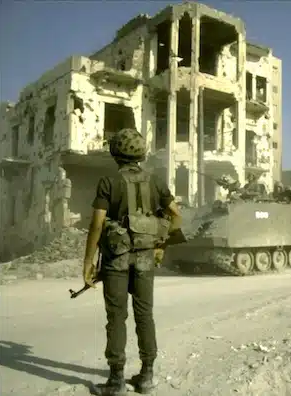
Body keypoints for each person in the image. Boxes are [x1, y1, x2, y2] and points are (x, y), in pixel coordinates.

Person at [82, 128, 182, 396]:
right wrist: (161, 246)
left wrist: (88, 263)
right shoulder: (157, 181)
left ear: (115, 152)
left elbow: (96, 224)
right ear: (142, 153)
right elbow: (176, 215)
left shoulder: (107, 181)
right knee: (144, 315)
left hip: (116, 260)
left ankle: (116, 382)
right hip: (146, 259)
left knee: (116, 317)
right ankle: (147, 377)